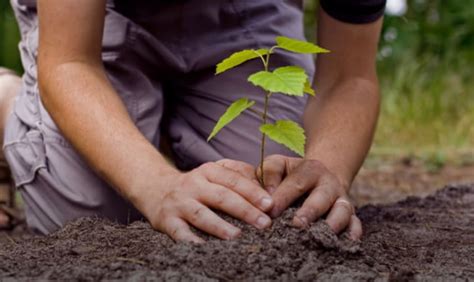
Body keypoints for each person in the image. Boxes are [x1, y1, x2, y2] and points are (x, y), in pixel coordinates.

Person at [0, 0, 385, 242]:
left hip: (244, 10)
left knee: (269, 199)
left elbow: (349, 77)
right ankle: (8, 102)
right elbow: (69, 61)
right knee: (96, 216)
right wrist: (156, 185)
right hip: (95, 17)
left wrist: (328, 171)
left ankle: (158, 121)